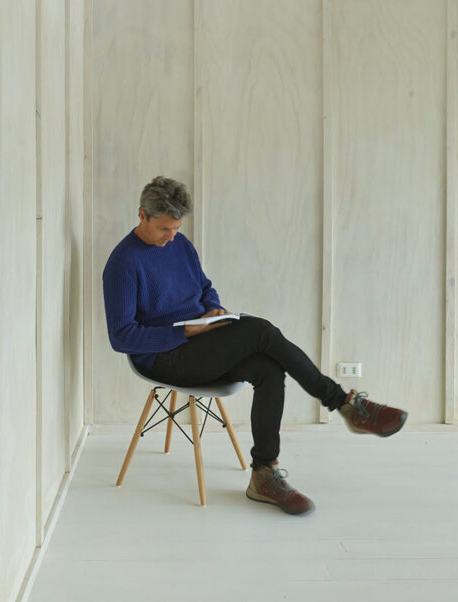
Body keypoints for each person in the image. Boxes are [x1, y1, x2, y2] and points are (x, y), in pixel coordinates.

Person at [102, 175, 408, 515]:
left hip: (200, 341)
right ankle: (343, 402)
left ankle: (264, 473)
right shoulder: (123, 264)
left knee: (268, 368)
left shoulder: (180, 245)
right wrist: (187, 332)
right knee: (260, 331)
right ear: (141, 215)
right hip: (162, 356)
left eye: (175, 229)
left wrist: (211, 310)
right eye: (163, 229)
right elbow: (122, 337)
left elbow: (204, 287)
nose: (170, 237)